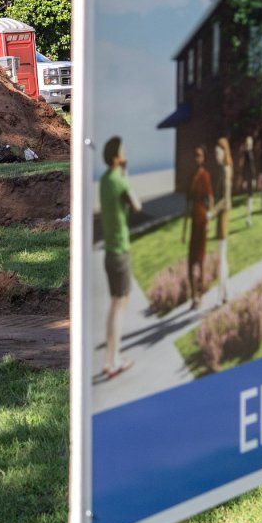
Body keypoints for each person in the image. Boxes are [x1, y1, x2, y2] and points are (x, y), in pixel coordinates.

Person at [99, 136, 140, 379]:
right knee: (120, 305)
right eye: (123, 151)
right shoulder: (118, 180)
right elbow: (136, 205)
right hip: (120, 250)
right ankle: (113, 361)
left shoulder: (105, 180)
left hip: (109, 252)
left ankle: (109, 358)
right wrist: (127, 177)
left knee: (116, 304)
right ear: (117, 157)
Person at [181, 145, 213, 309]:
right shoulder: (191, 177)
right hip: (193, 220)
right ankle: (193, 294)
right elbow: (187, 204)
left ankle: (199, 295)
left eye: (199, 155)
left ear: (204, 158)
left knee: (200, 261)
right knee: (190, 261)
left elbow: (210, 199)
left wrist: (209, 222)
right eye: (195, 155)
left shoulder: (205, 176)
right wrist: (184, 230)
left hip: (202, 221)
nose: (197, 158)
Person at [214, 137, 234, 304]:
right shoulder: (221, 169)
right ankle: (226, 293)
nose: (216, 155)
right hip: (220, 215)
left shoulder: (226, 170)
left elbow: (226, 199)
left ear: (223, 151)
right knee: (222, 257)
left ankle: (221, 295)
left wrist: (212, 212)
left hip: (224, 215)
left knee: (221, 257)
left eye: (217, 152)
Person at [241, 135, 257, 227]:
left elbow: (245, 168)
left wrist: (244, 180)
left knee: (249, 198)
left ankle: (248, 217)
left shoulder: (247, 153)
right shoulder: (249, 154)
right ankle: (248, 218)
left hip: (248, 179)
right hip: (250, 179)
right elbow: (251, 168)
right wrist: (253, 179)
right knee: (250, 199)